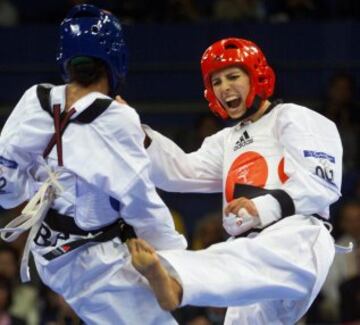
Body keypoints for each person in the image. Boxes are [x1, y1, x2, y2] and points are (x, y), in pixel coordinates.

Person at [125, 37, 344, 324]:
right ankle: (174, 281)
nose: (224, 87)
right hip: (246, 252)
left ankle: (176, 282)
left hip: (298, 235)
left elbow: (321, 183)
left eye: (233, 76)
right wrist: (133, 132)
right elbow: (180, 172)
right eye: (216, 82)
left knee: (250, 256)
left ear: (258, 77)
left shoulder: (292, 117)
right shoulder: (225, 141)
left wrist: (263, 208)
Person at [0, 4, 186, 324]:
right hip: (95, 264)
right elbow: (140, 202)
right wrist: (177, 262)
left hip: (47, 251)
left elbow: (6, 191)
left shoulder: (36, 99)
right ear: (116, 61)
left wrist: (37, 179)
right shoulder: (116, 118)